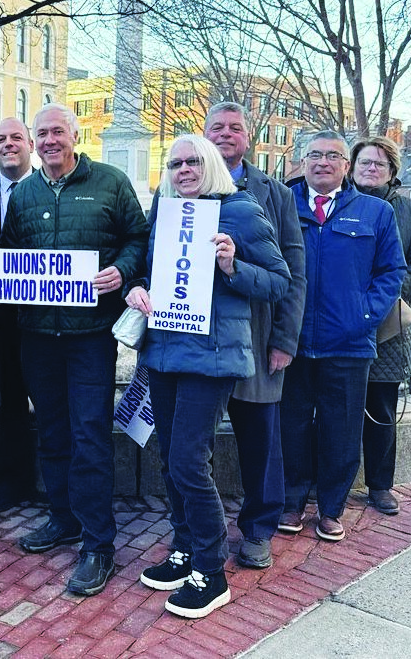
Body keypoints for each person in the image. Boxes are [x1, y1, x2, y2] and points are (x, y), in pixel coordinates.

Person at [0, 103, 151, 596]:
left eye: (58, 131)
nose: (50, 141)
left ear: (76, 135)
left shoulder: (110, 182)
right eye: (42, 134)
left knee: (90, 437)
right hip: (38, 335)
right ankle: (63, 517)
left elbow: (138, 237)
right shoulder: (25, 193)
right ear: (33, 142)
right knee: (53, 433)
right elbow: (10, 255)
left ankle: (99, 544)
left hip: (90, 336)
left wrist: (122, 270)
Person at [128, 135, 290, 619]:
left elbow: (279, 280)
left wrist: (231, 265)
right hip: (165, 350)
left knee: (188, 461)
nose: (183, 169)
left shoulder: (240, 211)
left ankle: (211, 569)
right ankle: (185, 548)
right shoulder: (166, 211)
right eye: (175, 163)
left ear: (212, 164)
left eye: (193, 161)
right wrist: (137, 288)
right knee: (169, 458)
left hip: (212, 355)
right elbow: (149, 270)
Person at [279, 131, 406, 541]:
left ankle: (331, 509)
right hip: (293, 342)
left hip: (349, 345)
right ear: (302, 162)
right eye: (314, 155)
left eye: (332, 156)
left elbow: (392, 271)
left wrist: (363, 315)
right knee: (291, 427)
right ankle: (291, 502)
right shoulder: (282, 204)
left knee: (342, 430)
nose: (322, 162)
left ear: (346, 166)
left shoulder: (374, 212)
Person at [202, 102, 306, 568]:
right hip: (199, 336)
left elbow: (295, 272)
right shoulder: (182, 184)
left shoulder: (275, 194)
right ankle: (194, 528)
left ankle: (259, 528)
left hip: (258, 333)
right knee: (193, 440)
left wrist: (284, 339)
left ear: (248, 137)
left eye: (235, 128)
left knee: (260, 438)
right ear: (204, 134)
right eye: (217, 127)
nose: (226, 134)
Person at [349, 136, 411, 515]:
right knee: (333, 406)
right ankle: (327, 480)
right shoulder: (339, 203)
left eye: (379, 164)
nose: (371, 169)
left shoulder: (409, 211)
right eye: (365, 162)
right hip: (339, 321)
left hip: (386, 327)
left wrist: (383, 293)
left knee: (381, 407)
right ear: (352, 167)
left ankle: (380, 484)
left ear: (392, 171)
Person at [0, 116, 37, 513]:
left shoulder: (46, 189)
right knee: (8, 397)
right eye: (0, 139)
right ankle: (12, 479)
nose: (8, 144)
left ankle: (58, 480)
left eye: (16, 137)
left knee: (50, 399)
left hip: (44, 311)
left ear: (30, 144)